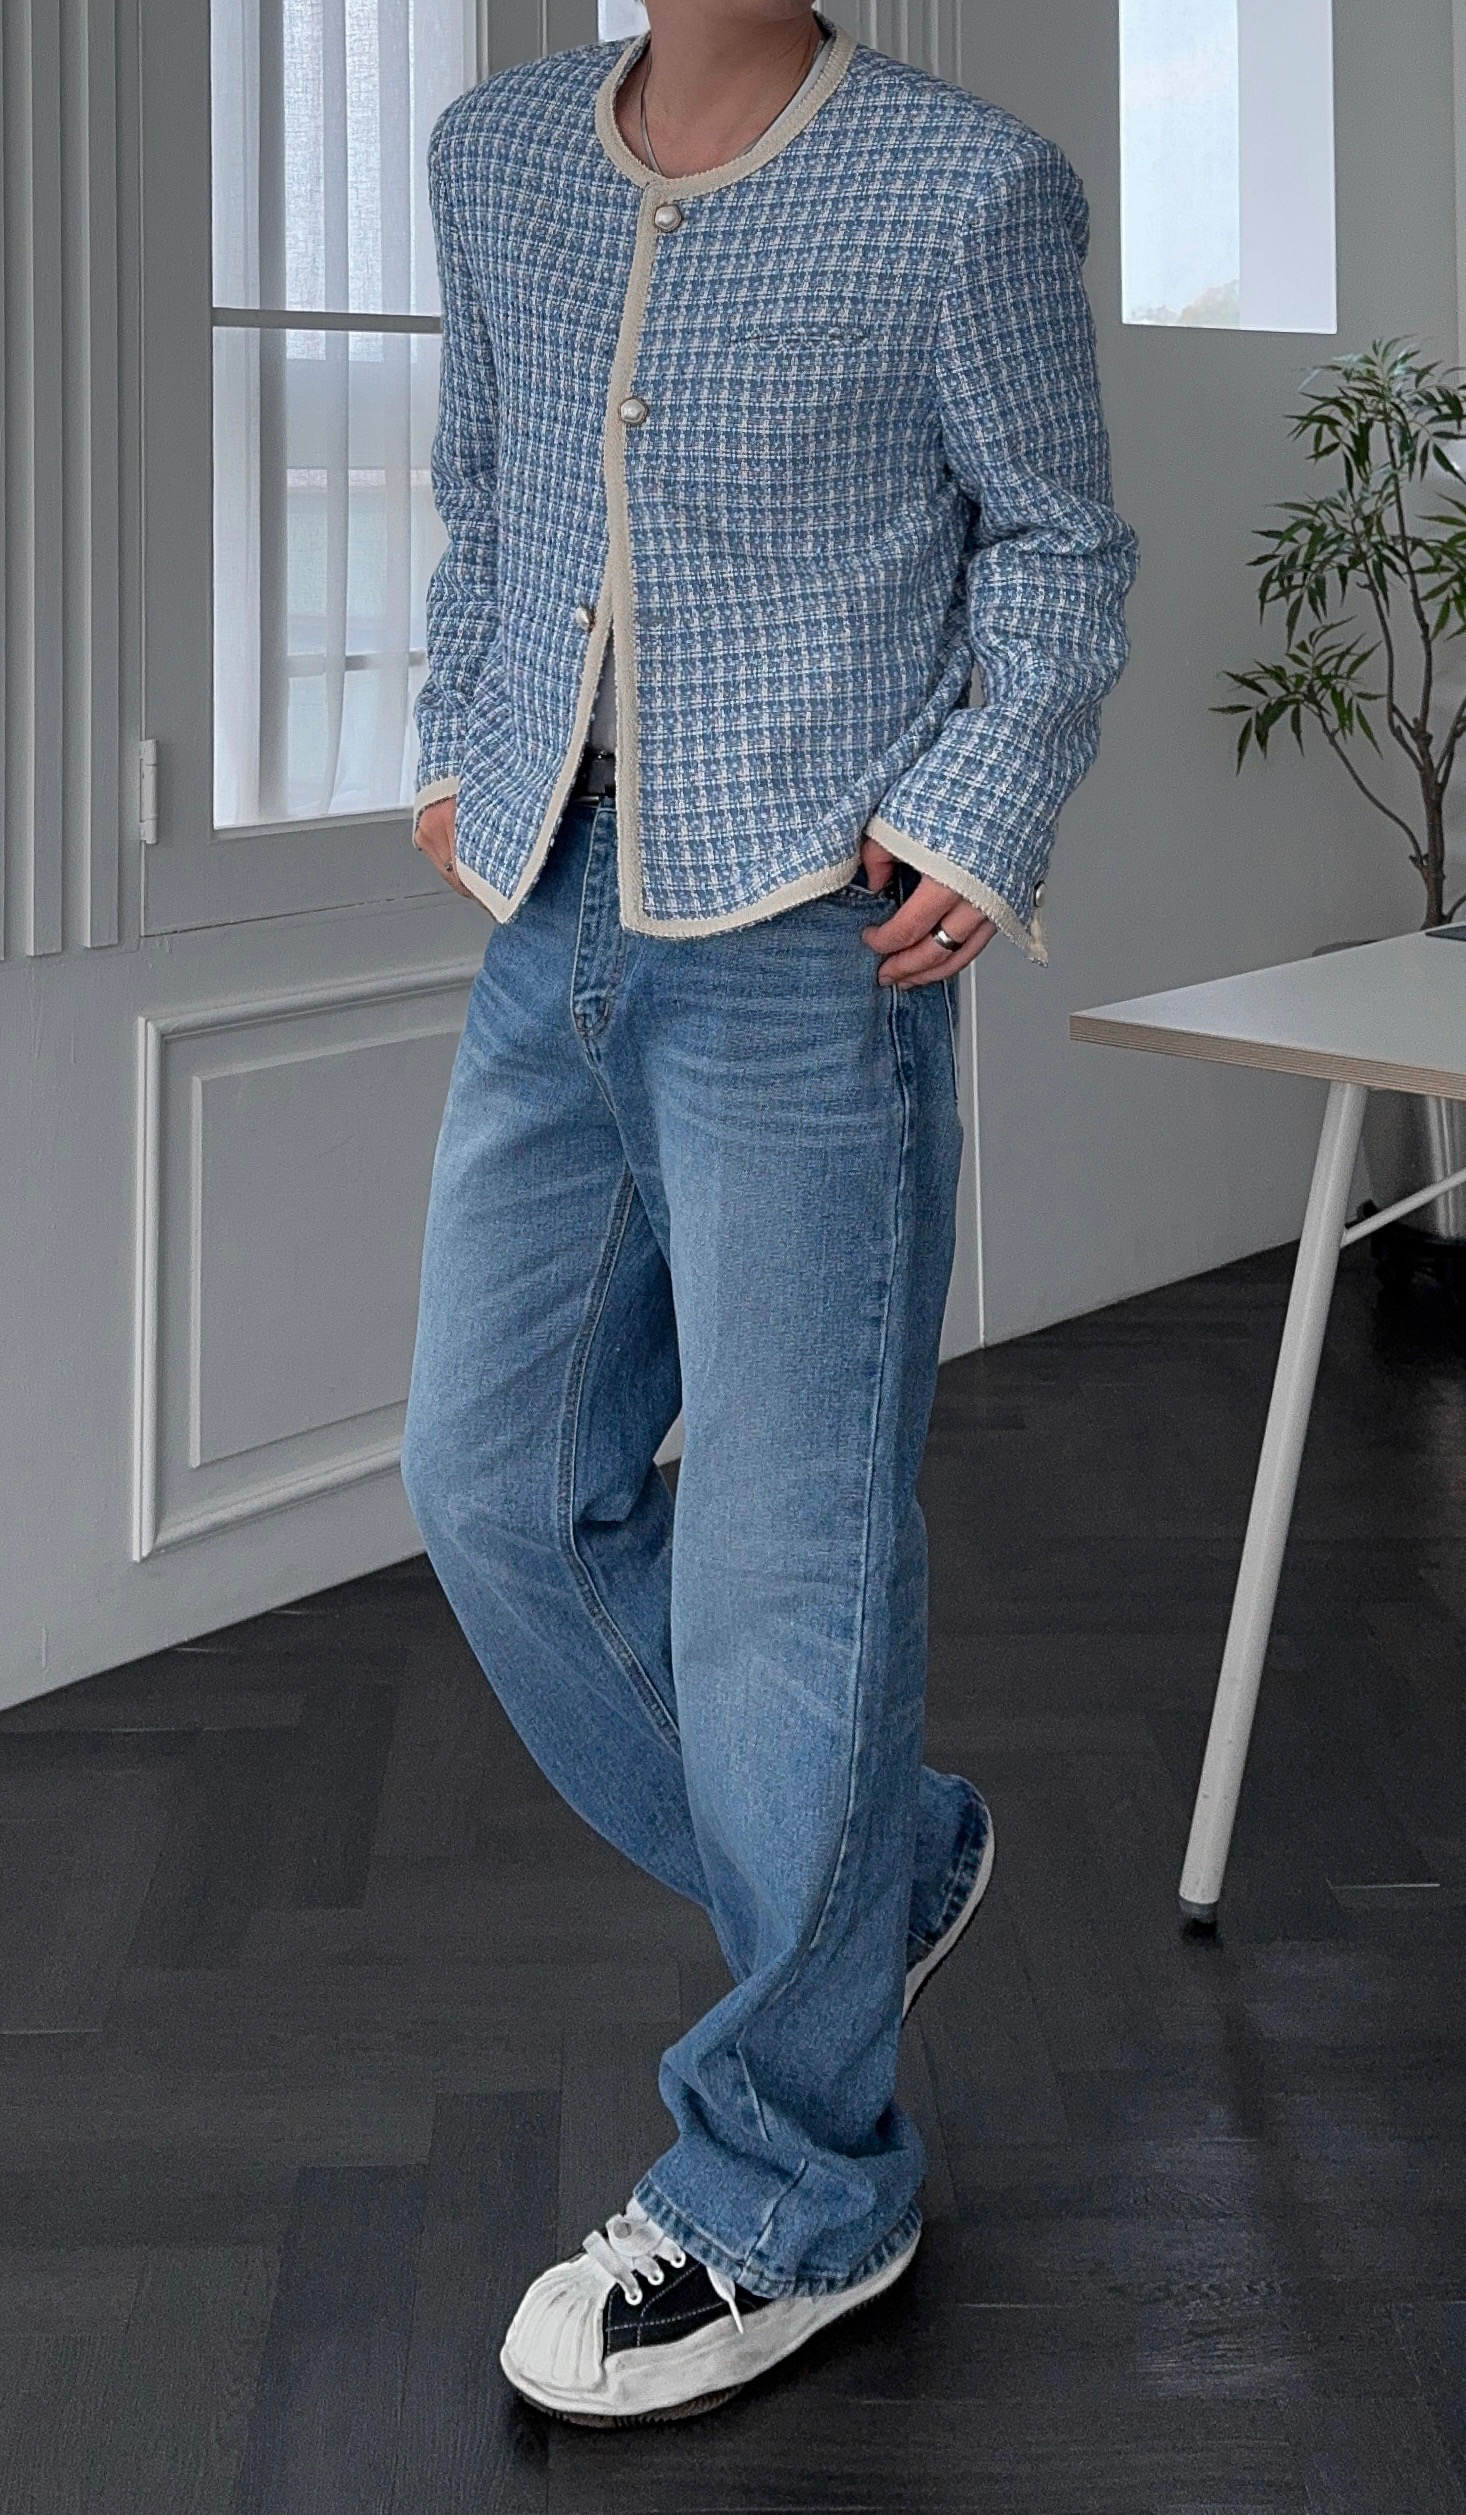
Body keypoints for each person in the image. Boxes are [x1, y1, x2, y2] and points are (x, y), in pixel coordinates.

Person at [400, 0, 1134, 2428]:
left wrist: (984, 799)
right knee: (494, 1488)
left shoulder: (963, 187)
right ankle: (876, 1874)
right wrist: (458, 731)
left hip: (813, 942)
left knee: (784, 1577)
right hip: (550, 906)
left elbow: (1059, 547)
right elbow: (484, 486)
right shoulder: (497, 154)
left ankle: (796, 2180)